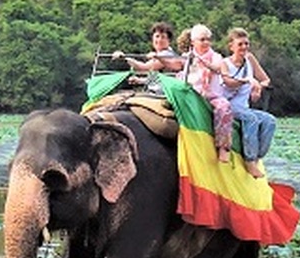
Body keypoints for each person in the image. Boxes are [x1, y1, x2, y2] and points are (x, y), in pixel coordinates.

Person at [222, 27, 276, 179]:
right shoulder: (225, 63)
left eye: (246, 44)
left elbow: (265, 79)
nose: (244, 47)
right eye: (240, 44)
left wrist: (258, 87)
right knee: (251, 119)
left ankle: (258, 156)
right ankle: (249, 160)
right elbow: (228, 82)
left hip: (244, 107)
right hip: (230, 106)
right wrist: (246, 81)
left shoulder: (250, 59)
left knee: (269, 121)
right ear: (231, 46)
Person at [184, 23, 235, 163]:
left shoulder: (216, 56)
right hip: (191, 92)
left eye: (207, 39)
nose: (206, 42)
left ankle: (223, 147)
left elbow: (218, 68)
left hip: (210, 95)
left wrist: (204, 63)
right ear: (193, 42)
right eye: (202, 40)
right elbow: (172, 64)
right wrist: (158, 57)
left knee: (224, 107)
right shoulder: (187, 57)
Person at [114, 22, 184, 80]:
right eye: (157, 36)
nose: (159, 40)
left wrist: (124, 58)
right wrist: (140, 80)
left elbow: (144, 68)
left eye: (163, 37)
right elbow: (155, 77)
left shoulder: (166, 55)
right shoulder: (160, 54)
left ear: (169, 41)